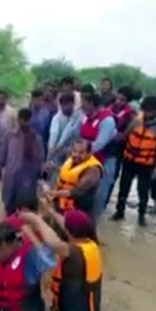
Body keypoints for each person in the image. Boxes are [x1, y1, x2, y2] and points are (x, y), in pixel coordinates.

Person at [18, 208, 102, 311]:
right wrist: (50, 210)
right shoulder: (91, 245)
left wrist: (37, 220)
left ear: (69, 232)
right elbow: (66, 224)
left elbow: (53, 245)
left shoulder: (73, 253)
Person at [111, 96, 156, 226]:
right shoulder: (137, 120)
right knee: (123, 187)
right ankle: (120, 211)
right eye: (145, 110)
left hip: (146, 164)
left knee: (142, 190)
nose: (147, 113)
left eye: (150, 111)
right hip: (129, 160)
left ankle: (141, 215)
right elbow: (125, 135)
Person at [78, 92, 117, 221]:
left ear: (92, 104)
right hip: (86, 158)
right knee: (81, 192)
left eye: (84, 105)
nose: (82, 108)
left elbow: (100, 143)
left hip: (105, 161)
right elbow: (75, 134)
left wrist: (80, 152)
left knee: (99, 196)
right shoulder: (85, 117)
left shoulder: (107, 120)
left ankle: (93, 226)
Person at [0, 108, 45, 216]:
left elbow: (40, 159)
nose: (25, 123)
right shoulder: (9, 136)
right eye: (23, 120)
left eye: (28, 120)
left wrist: (39, 175)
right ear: (18, 120)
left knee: (26, 210)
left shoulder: (35, 138)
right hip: (11, 177)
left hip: (28, 179)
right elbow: (2, 155)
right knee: (8, 208)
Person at [53, 138, 103, 221]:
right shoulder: (71, 160)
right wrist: (53, 168)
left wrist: (53, 193)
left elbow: (78, 191)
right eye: (75, 151)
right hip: (62, 204)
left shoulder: (93, 169)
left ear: (89, 153)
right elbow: (65, 176)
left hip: (79, 210)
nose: (76, 155)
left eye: (81, 152)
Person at [45, 92, 83, 181]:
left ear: (72, 104)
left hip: (74, 153)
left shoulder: (79, 117)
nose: (65, 108)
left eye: (68, 105)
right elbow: (53, 138)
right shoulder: (57, 118)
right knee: (55, 178)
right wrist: (51, 154)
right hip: (57, 153)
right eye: (63, 105)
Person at [29, 88, 52, 153]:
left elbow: (48, 130)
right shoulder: (28, 112)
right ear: (32, 99)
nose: (37, 102)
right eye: (35, 99)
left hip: (42, 144)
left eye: (39, 99)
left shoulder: (46, 113)